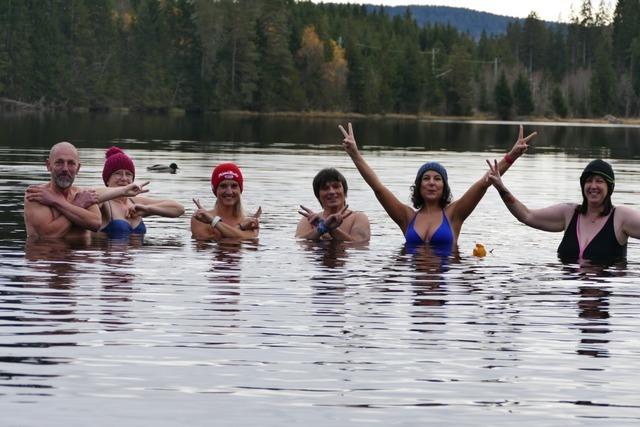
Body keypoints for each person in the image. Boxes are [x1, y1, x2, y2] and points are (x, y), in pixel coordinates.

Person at [338, 122, 536, 255]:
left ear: (444, 187)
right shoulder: (407, 217)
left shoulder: (454, 214)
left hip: (445, 281)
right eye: (426, 178)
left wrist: (513, 155)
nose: (431, 182)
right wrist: (355, 154)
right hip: (413, 276)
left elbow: (485, 182)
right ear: (419, 187)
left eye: (437, 179)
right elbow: (378, 188)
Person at [486, 158, 640, 263]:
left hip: (606, 290)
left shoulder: (621, 217)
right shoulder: (570, 213)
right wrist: (501, 188)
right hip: (568, 297)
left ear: (610, 188)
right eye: (588, 181)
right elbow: (527, 215)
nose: (593, 186)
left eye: (599, 181)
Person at [97, 147, 185, 238]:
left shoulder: (135, 202)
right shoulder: (104, 202)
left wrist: (148, 209)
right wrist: (122, 191)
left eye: (128, 174)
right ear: (107, 180)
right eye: (118, 173)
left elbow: (179, 209)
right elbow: (92, 195)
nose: (124, 178)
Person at [24, 142, 102, 238]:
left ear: (78, 168)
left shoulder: (84, 194)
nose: (65, 169)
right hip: (47, 252)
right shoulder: (36, 194)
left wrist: (55, 201)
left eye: (71, 163)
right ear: (49, 165)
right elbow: (48, 235)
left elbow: (96, 223)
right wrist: (78, 205)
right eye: (59, 162)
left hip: (80, 252)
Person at [296, 167, 370, 242]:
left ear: (344, 191)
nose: (331, 192)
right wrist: (321, 228)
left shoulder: (358, 218)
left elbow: (360, 245)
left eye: (336, 186)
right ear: (318, 195)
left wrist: (331, 229)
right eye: (325, 188)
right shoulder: (309, 220)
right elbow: (300, 243)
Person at [191, 162, 261, 240]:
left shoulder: (250, 222)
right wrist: (241, 227)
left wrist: (213, 222)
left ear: (240, 189)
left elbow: (248, 239)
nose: (229, 192)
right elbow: (207, 246)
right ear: (215, 190)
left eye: (234, 186)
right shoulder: (200, 218)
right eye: (223, 186)